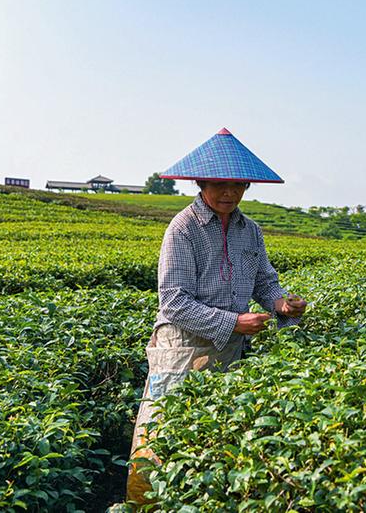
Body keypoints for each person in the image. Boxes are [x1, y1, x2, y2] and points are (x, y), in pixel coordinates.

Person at [127, 128, 306, 505]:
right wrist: (234, 322)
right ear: (201, 182)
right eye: (220, 185)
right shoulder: (183, 229)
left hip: (228, 350)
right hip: (180, 348)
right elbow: (173, 301)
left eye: (237, 185)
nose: (229, 193)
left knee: (209, 437)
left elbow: (265, 281)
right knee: (158, 436)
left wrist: (280, 305)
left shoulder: (250, 231)